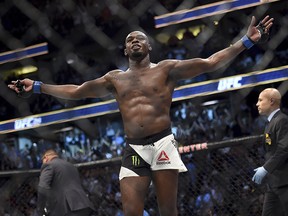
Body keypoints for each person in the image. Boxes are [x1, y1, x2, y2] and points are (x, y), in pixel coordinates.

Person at [9, 15, 273, 216]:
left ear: (148, 47)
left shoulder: (167, 69)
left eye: (139, 38)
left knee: (168, 212)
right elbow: (77, 91)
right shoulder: (115, 78)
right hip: (133, 148)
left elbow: (211, 62)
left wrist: (246, 41)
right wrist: (39, 87)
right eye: (129, 40)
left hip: (162, 144)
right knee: (131, 212)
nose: (134, 40)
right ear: (125, 51)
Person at [252, 88, 288, 216]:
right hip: (273, 183)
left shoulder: (282, 120)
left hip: (284, 181)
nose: (257, 104)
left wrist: (265, 168)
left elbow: (284, 149)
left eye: (261, 100)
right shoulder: (271, 123)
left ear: (271, 101)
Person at [36, 149, 95, 216]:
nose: (42, 163)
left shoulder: (48, 165)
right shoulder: (71, 166)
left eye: (42, 161)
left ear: (46, 157)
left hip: (67, 207)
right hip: (84, 204)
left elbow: (42, 188)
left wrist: (40, 210)